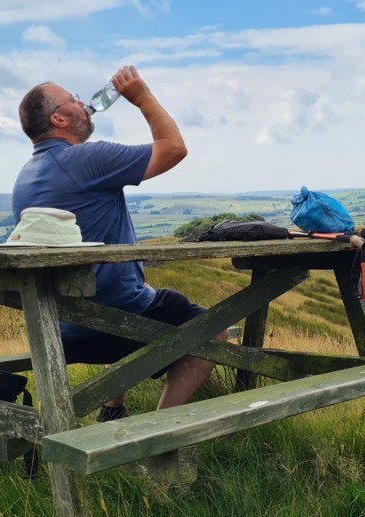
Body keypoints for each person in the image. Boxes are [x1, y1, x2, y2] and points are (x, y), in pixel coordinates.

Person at [12, 65, 224, 421]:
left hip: (59, 325)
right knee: (213, 329)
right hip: (107, 322)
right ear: (60, 118)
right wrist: (141, 98)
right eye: (73, 100)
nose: (83, 103)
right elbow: (173, 148)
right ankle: (159, 428)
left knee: (129, 290)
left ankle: (112, 410)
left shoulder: (27, 175)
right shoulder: (86, 158)